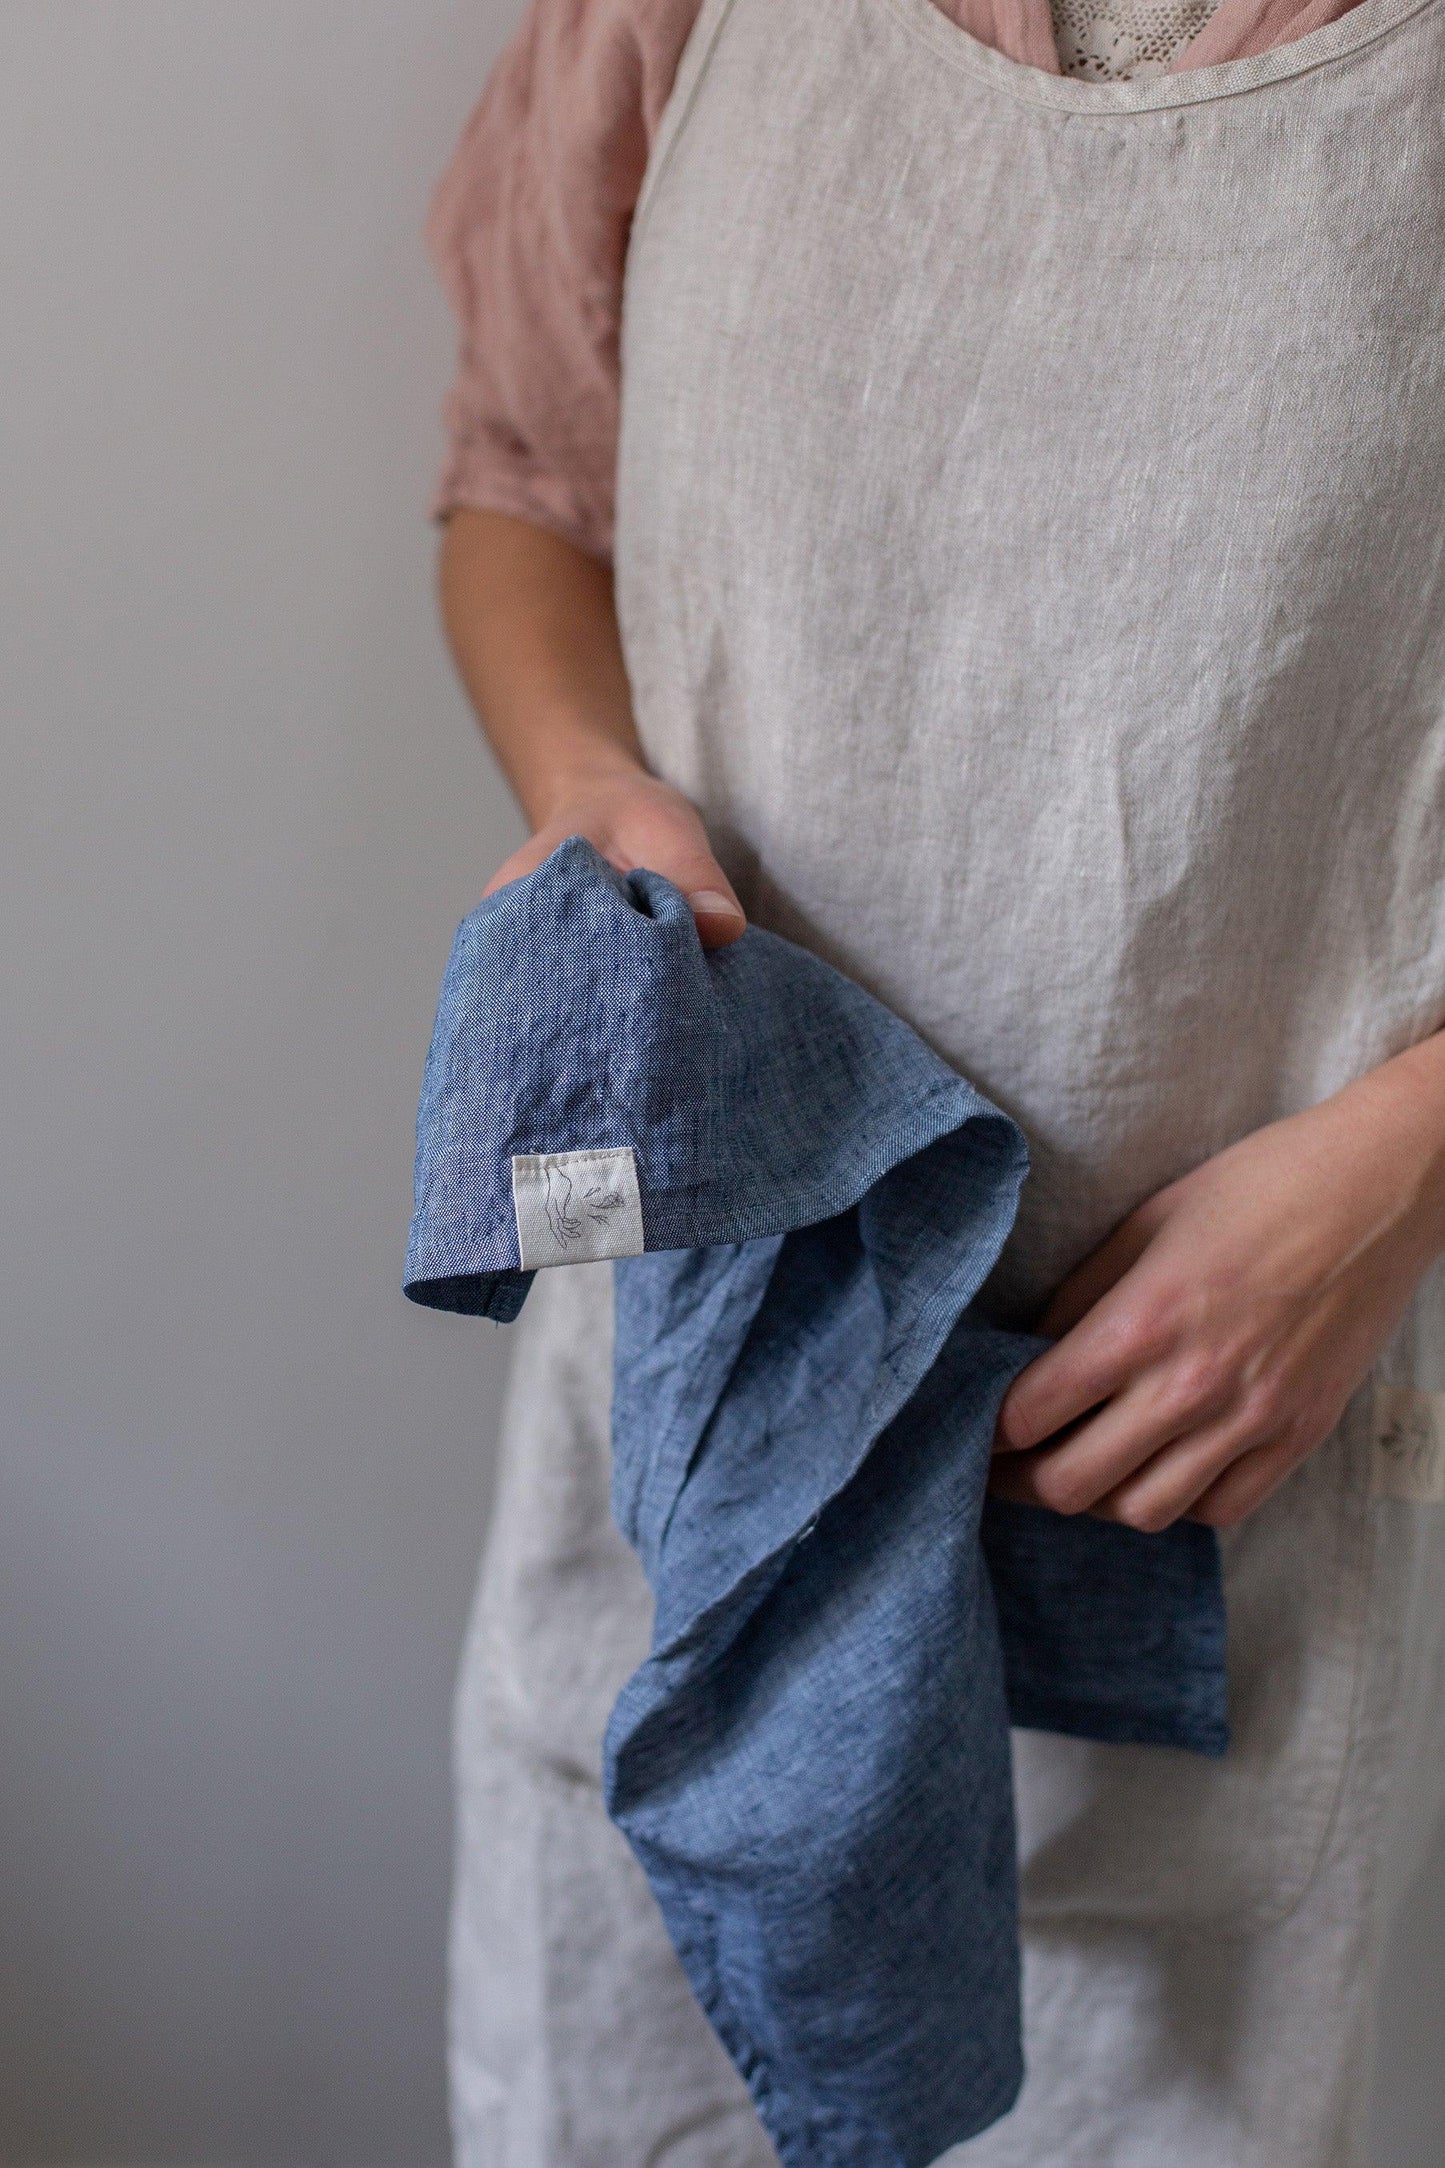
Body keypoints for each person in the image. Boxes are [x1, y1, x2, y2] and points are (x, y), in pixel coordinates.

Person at [426, 2, 1445, 2160]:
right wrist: (593, 782)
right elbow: (523, 481)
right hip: (684, 1494)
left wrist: (1404, 1169)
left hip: (1198, 1489)